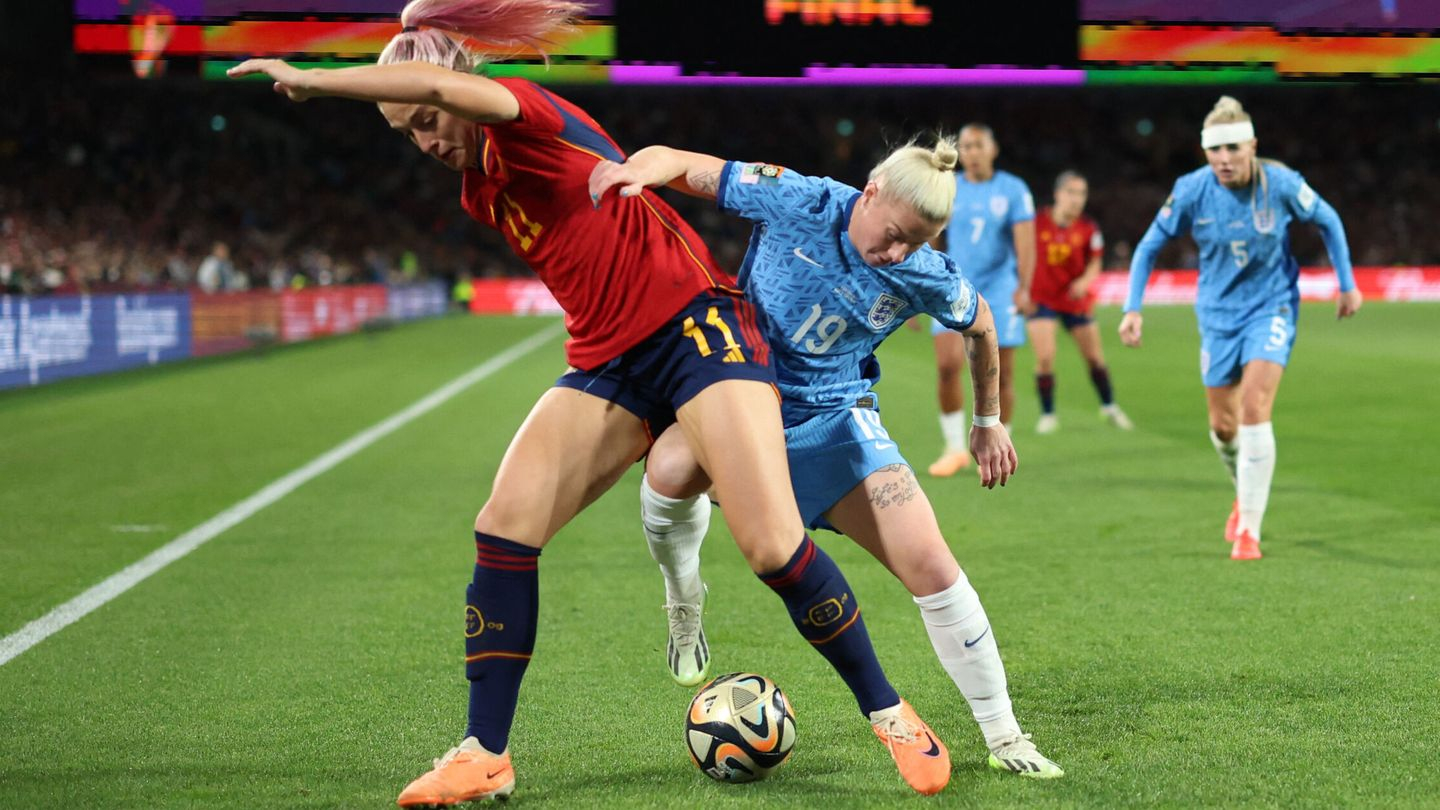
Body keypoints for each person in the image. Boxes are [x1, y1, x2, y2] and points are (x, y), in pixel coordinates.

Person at [229, 0, 954, 802]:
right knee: (504, 525)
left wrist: (317, 80)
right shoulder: (478, 190)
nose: (426, 141)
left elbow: (446, 89)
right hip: (610, 360)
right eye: (406, 134)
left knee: (772, 548)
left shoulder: (526, 116)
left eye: (427, 119)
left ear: (456, 88)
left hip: (698, 329)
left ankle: (889, 712)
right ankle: (485, 754)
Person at [590, 136, 1064, 779]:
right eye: (894, 235)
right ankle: (684, 598)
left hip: (835, 419)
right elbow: (688, 166)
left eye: (915, 244)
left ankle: (1005, 737)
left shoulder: (923, 270)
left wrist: (988, 422)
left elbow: (980, 322)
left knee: (933, 566)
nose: (897, 254)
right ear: (870, 192)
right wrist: (636, 170)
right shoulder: (800, 199)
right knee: (667, 472)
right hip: (739, 397)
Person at [1120, 96, 1361, 561]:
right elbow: (1148, 246)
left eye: (1233, 148)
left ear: (1252, 145)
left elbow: (1328, 219)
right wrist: (1133, 308)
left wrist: (1347, 283)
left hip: (1272, 307)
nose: (1224, 159)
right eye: (1215, 149)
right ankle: (1243, 491)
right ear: (1205, 151)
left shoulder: (1282, 184)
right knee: (1223, 427)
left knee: (1254, 406)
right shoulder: (1192, 190)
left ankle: (1249, 530)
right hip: (1217, 315)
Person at [927, 124, 1035, 476]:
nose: (971, 152)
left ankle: (998, 446)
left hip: (1000, 289)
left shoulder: (1013, 189)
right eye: (966, 146)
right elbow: (932, 234)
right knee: (947, 367)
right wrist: (921, 281)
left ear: (993, 149)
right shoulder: (949, 186)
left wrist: (1024, 287)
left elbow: (1025, 242)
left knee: (1000, 376)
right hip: (955, 286)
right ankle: (954, 448)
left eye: (978, 145)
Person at [1028, 170, 1133, 434]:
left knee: (1095, 358)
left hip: (1075, 299)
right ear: (1057, 194)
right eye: (1071, 192)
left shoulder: (1088, 228)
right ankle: (1048, 414)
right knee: (1045, 357)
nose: (1077, 199)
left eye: (1081, 193)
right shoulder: (1036, 222)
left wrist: (1085, 282)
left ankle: (1109, 406)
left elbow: (1095, 262)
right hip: (1042, 298)